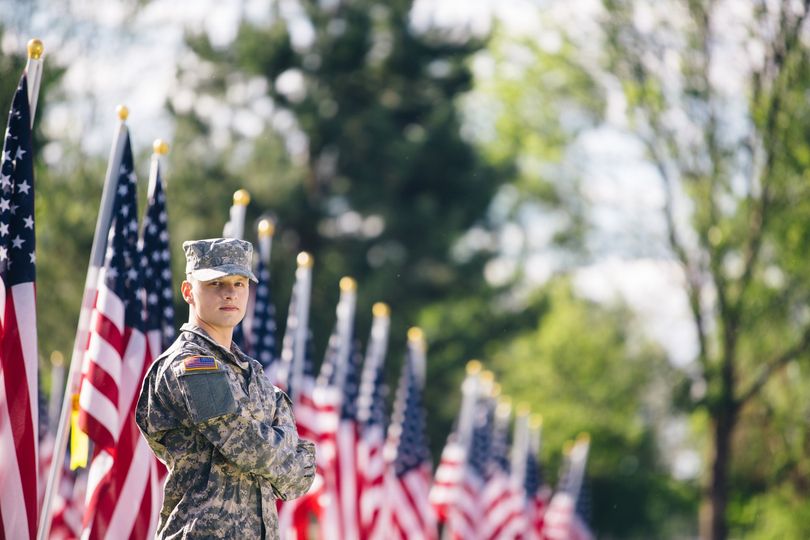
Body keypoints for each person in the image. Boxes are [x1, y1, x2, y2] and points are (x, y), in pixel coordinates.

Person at [136, 237, 316, 539]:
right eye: (215, 284)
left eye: (239, 283)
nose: (230, 293)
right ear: (188, 291)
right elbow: (242, 442)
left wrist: (296, 460)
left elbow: (301, 479)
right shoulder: (189, 364)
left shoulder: (253, 372)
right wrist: (291, 456)